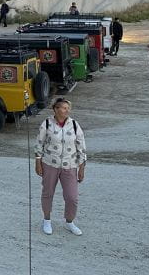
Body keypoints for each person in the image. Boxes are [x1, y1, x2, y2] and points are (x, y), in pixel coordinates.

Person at [34, 97, 86, 236]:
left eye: (67, 108)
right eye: (63, 108)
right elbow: (39, 144)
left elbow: (81, 147)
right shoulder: (46, 124)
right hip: (50, 164)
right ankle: (47, 220)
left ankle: (69, 221)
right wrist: (38, 163)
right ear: (55, 109)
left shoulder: (74, 125)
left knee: (72, 197)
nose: (66, 111)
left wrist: (81, 168)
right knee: (47, 193)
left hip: (70, 165)